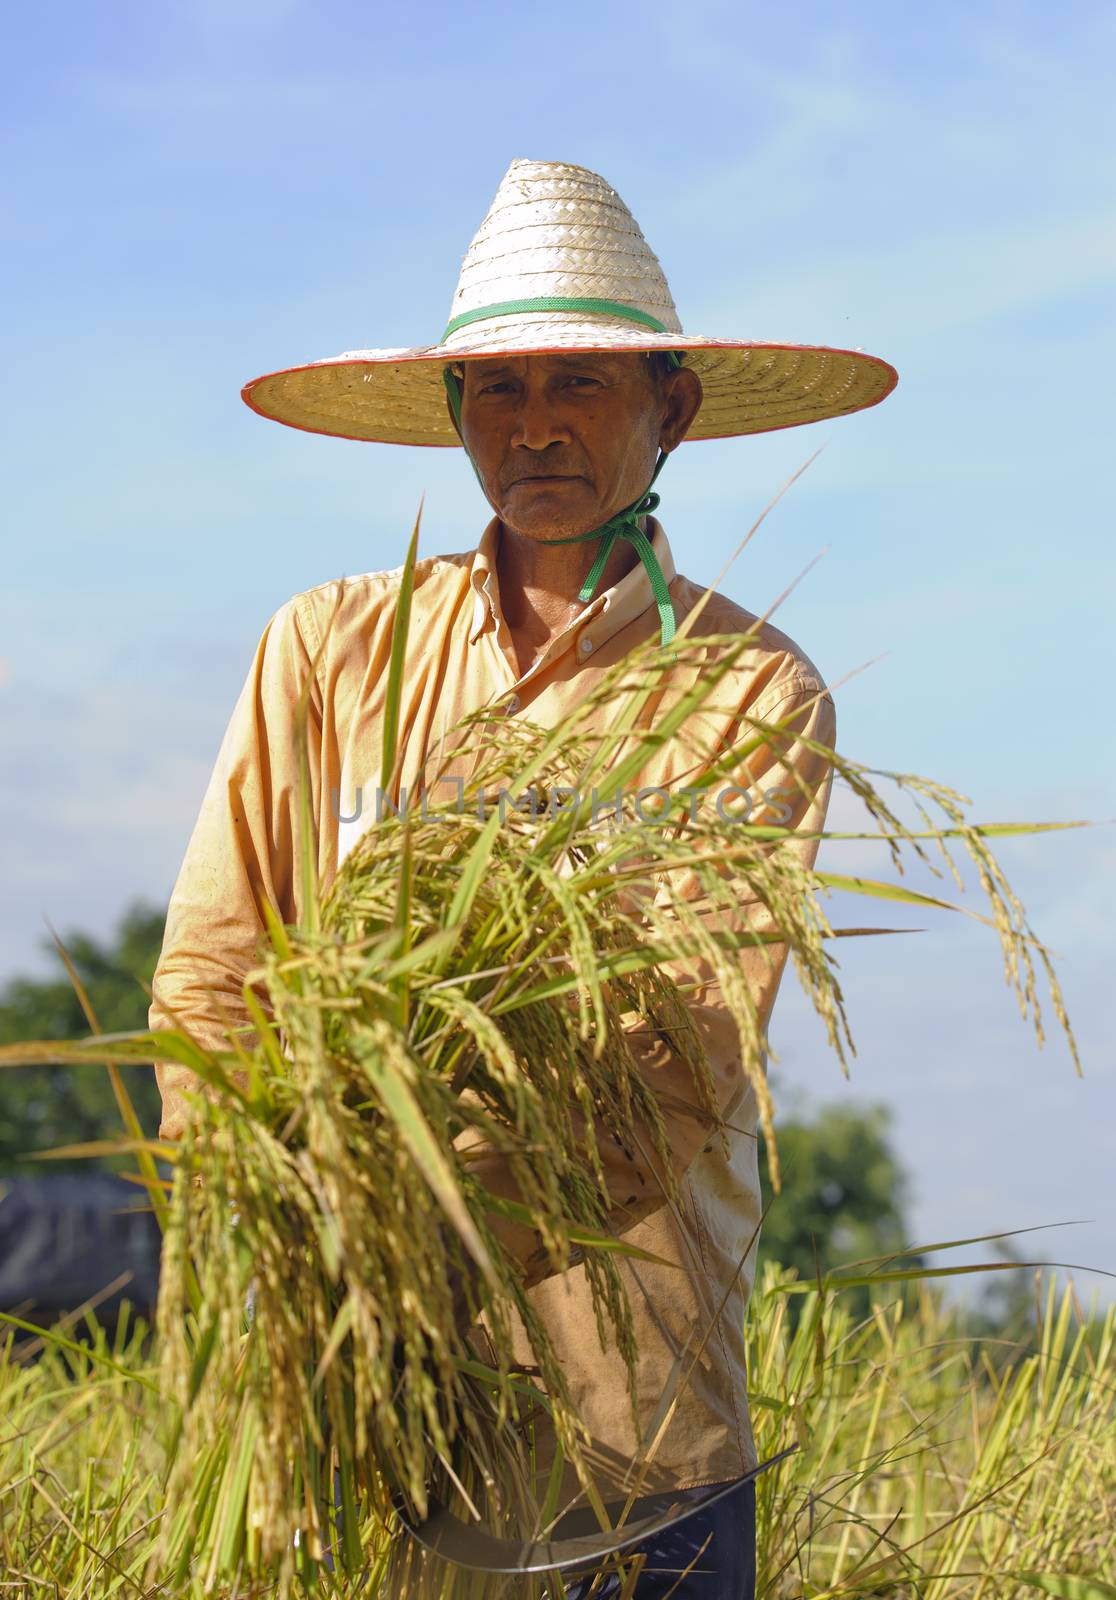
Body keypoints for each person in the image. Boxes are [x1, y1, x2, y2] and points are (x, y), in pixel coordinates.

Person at [150, 158, 896, 1596]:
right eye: (498, 386)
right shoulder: (330, 653)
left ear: (670, 413)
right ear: (452, 414)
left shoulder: (744, 695)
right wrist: (271, 1236)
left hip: (638, 1442)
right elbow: (214, 978)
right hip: (358, 1432)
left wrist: (392, 1238)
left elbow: (674, 1049)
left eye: (583, 384)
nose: (537, 424)